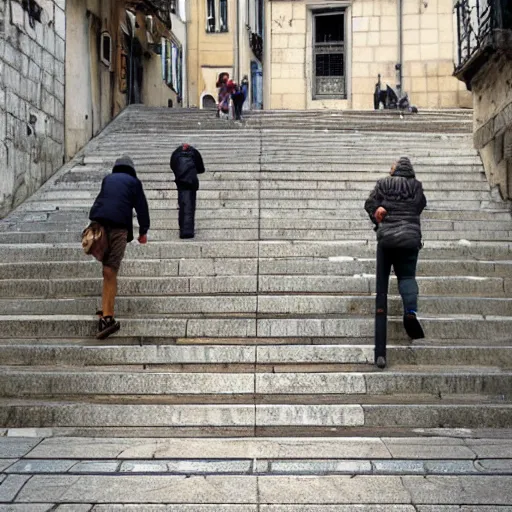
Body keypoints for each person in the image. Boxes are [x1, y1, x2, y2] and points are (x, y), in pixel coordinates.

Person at [364, 156, 427, 369]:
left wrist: (377, 213)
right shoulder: (416, 186)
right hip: (410, 239)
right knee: (407, 277)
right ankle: (410, 311)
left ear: (395, 170)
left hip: (387, 240)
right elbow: (420, 206)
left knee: (382, 292)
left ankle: (380, 354)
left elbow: (370, 204)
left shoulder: (383, 184)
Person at [88, 155, 150, 339]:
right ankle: (107, 317)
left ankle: (106, 310)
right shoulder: (134, 182)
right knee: (110, 271)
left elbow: (103, 201)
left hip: (99, 225)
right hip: (117, 228)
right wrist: (143, 231)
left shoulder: (108, 179)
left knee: (107, 270)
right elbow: (142, 207)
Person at [170, 143, 205, 239]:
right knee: (190, 206)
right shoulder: (194, 152)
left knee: (183, 205)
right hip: (191, 181)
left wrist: (178, 171)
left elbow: (172, 165)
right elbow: (201, 167)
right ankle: (188, 231)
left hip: (181, 181)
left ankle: (183, 230)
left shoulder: (176, 153)